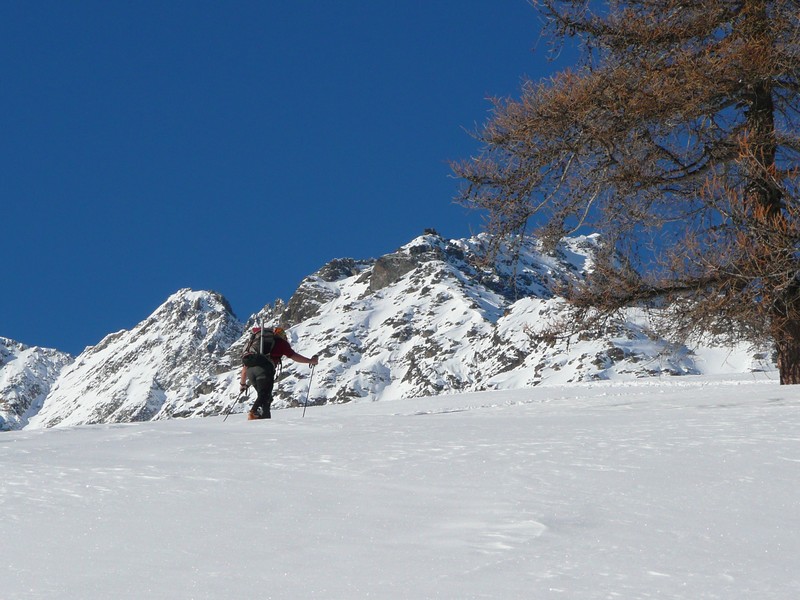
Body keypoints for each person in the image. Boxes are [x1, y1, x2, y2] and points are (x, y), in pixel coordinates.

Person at [239, 326, 318, 420]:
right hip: (264, 370)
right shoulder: (281, 343)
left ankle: (264, 417)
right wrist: (310, 361)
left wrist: (243, 384)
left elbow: (244, 368)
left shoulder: (256, 349)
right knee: (264, 394)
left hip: (250, 372)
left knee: (266, 397)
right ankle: (253, 413)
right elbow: (293, 356)